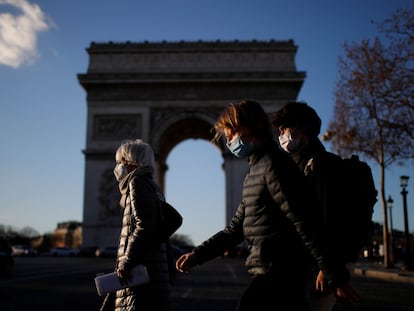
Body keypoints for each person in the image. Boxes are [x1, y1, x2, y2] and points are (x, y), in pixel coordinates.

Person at [175, 100, 358, 311]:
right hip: (272, 271)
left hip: (282, 271)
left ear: (248, 128)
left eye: (231, 133)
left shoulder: (273, 166)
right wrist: (198, 254)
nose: (228, 140)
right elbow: (235, 229)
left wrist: (334, 273)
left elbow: (304, 219)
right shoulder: (256, 171)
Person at [271, 101, 360, 311]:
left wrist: (327, 268)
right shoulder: (298, 164)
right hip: (300, 264)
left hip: (318, 267)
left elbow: (331, 219)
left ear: (302, 128)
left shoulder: (322, 164)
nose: (281, 135)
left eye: (284, 128)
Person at [110, 139, 172, 311]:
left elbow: (144, 225)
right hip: (152, 270)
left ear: (131, 162)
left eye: (120, 161)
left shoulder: (137, 183)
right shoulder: (154, 187)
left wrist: (126, 262)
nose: (118, 167)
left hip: (139, 271)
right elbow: (166, 226)